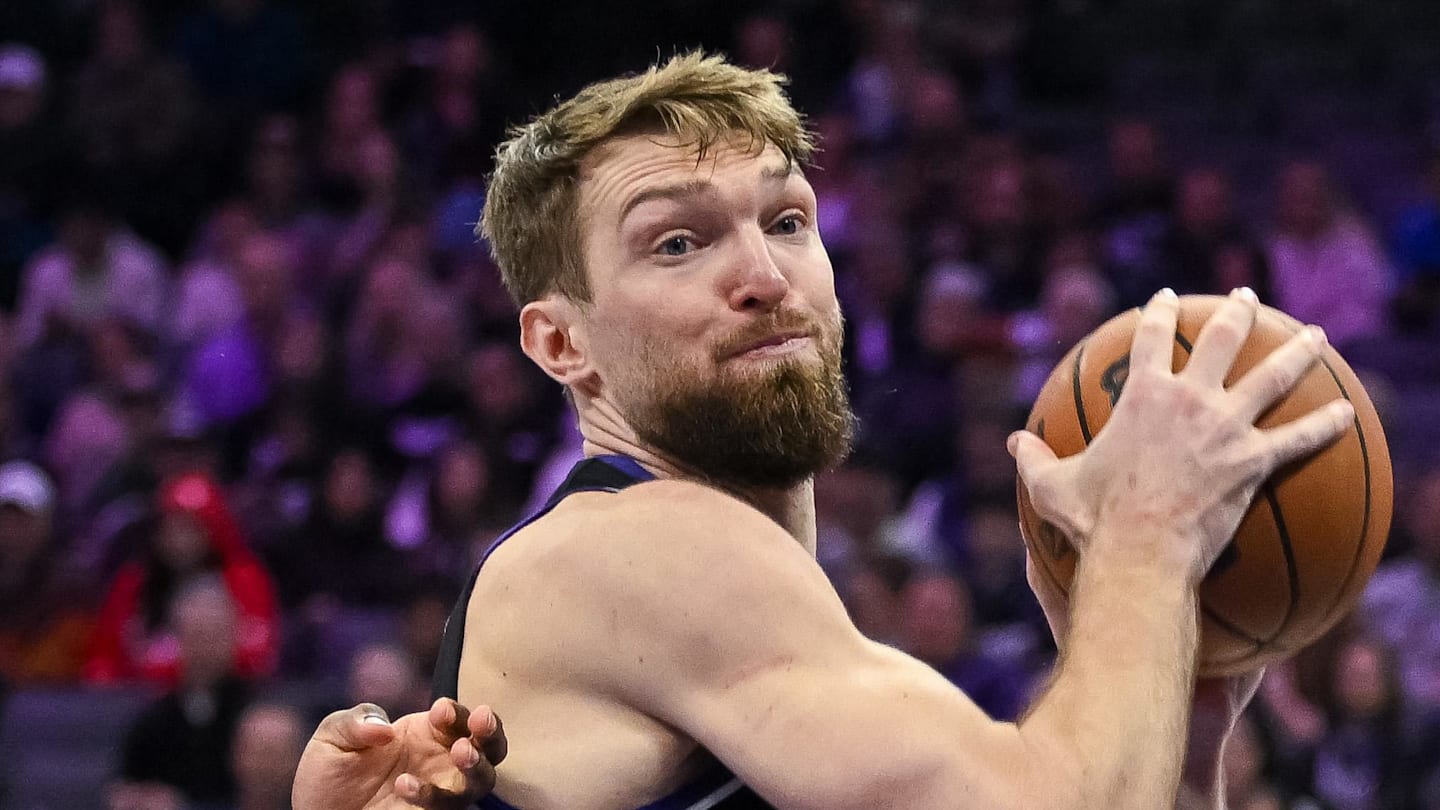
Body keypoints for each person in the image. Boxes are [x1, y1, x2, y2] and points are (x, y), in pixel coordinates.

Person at [293, 52, 1354, 809]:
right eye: (676, 243)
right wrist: (1149, 535)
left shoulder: (743, 598)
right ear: (561, 345)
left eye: (787, 219)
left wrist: (1180, 711)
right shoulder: (637, 549)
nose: (762, 276)